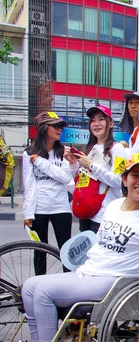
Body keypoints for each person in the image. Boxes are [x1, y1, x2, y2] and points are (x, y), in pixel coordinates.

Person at [10, 153, 139, 342]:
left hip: (113, 283)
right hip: (88, 272)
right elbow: (100, 244)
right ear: (124, 179)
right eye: (136, 175)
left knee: (44, 292)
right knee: (30, 286)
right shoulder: (112, 206)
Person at [23, 111, 73, 274]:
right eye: (55, 126)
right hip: (39, 209)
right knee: (39, 251)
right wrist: (27, 213)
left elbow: (65, 177)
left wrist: (40, 162)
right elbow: (29, 184)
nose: (59, 129)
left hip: (61, 208)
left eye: (60, 126)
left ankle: (70, 286)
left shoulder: (64, 152)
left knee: (66, 251)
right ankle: (39, 285)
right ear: (44, 128)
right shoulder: (28, 153)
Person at [64, 105, 128, 234]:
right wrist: (73, 164)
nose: (96, 124)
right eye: (92, 120)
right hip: (86, 211)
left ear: (110, 123)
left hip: (104, 215)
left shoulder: (117, 149)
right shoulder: (91, 149)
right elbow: (82, 180)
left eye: (101, 119)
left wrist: (92, 166)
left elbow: (119, 181)